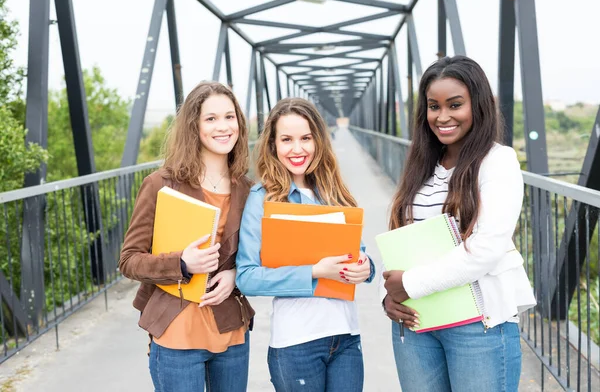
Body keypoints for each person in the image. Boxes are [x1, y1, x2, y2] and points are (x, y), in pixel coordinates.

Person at [381, 56, 536, 392]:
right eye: (433, 106)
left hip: (477, 326)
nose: (443, 116)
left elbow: (485, 250)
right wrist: (393, 297)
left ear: (478, 105)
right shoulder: (422, 165)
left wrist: (409, 283)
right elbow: (409, 243)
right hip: (418, 321)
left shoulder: (497, 162)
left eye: (455, 105)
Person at [119, 81, 255, 392]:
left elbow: (257, 255)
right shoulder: (161, 184)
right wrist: (181, 262)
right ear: (194, 125)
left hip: (230, 331)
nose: (223, 127)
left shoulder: (248, 189)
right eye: (211, 119)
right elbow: (129, 261)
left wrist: (236, 274)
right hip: (176, 333)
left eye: (229, 117)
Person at [236, 97, 375, 391]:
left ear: (318, 141)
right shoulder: (263, 199)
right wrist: (314, 271)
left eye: (305, 138)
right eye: (286, 139)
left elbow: (358, 253)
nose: (297, 149)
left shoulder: (334, 192)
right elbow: (247, 277)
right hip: (296, 342)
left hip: (346, 337)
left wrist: (367, 268)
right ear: (272, 145)